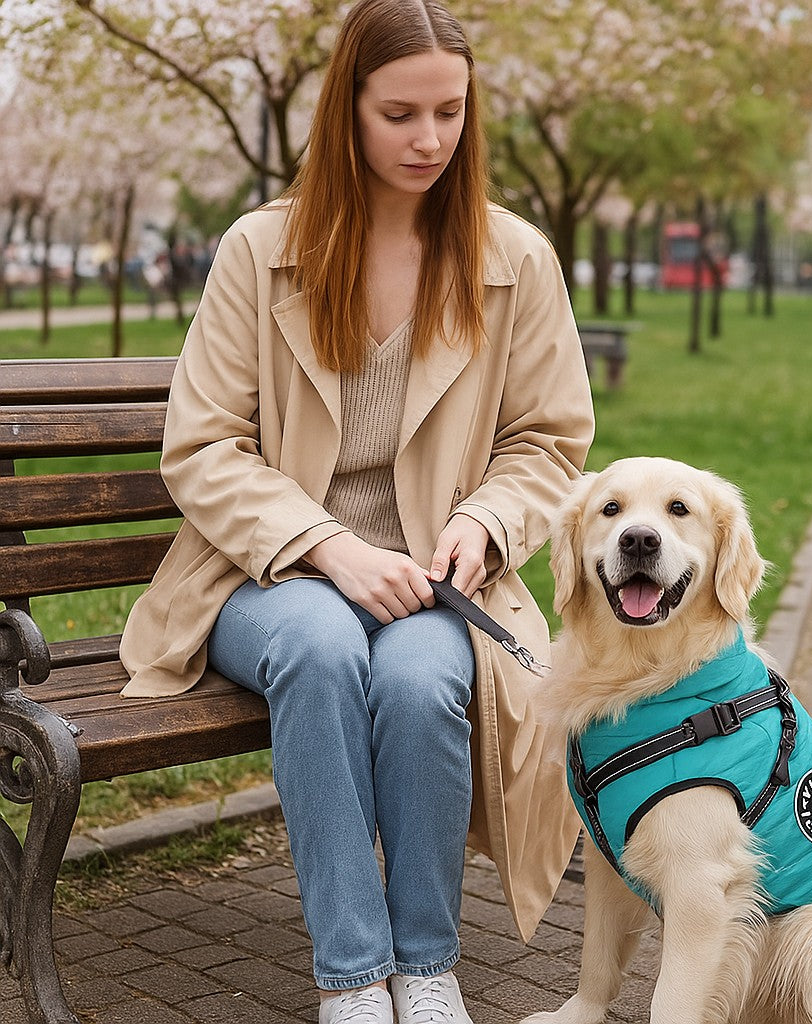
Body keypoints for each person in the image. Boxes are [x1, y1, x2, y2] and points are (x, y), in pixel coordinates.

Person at [118, 1, 595, 1022]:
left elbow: (548, 442)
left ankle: (424, 966)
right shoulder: (261, 251)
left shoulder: (516, 260)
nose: (429, 139)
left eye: (449, 112)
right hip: (265, 572)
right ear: (348, 111)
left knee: (426, 680)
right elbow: (201, 445)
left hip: (433, 576)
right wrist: (329, 546)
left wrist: (487, 525)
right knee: (325, 648)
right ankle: (351, 976)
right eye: (399, 114)